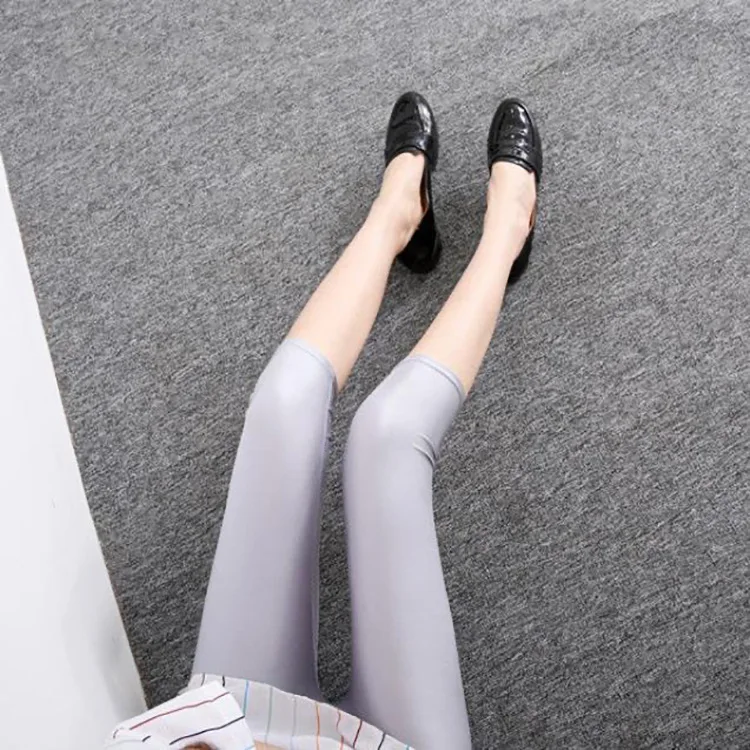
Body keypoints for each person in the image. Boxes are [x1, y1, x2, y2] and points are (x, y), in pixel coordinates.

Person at [106, 92, 542, 750]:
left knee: (283, 402)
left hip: (236, 725)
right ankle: (508, 231)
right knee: (385, 435)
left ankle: (397, 213)